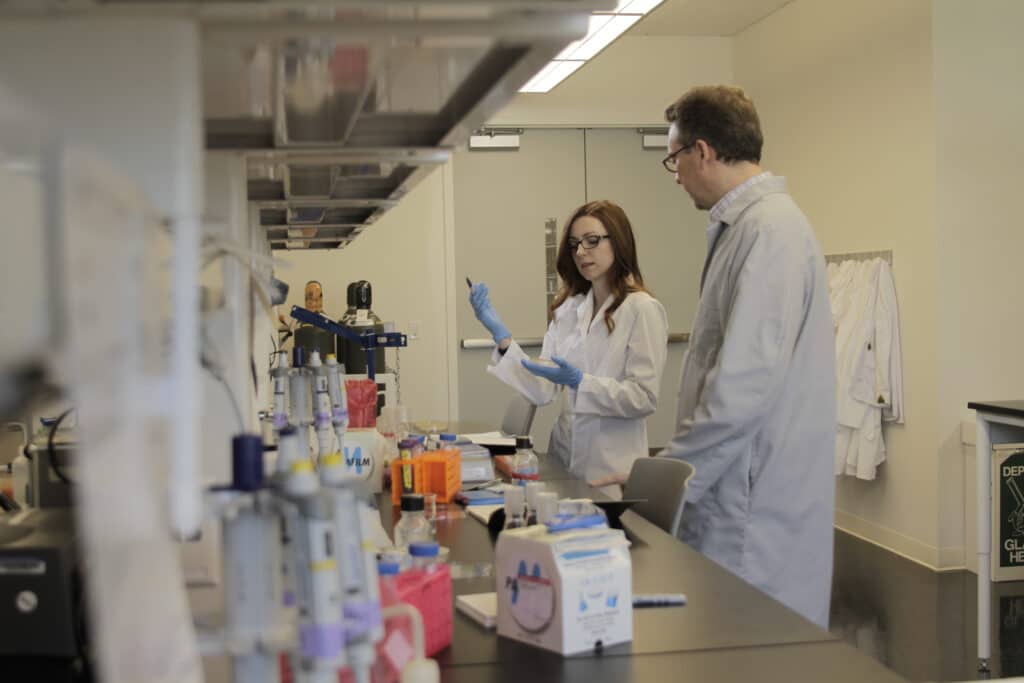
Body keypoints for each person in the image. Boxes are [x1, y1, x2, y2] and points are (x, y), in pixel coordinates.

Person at [596, 86, 837, 628]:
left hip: (753, 504)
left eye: (673, 159)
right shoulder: (747, 226)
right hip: (740, 486)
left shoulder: (770, 230)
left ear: (701, 151)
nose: (675, 173)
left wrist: (656, 482)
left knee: (753, 643)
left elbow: (740, 391)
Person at [468, 200, 668, 484]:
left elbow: (643, 398)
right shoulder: (570, 310)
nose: (581, 252)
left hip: (610, 469)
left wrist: (580, 382)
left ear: (619, 242)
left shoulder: (642, 309)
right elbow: (543, 390)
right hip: (563, 460)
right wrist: (502, 338)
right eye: (575, 244)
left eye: (592, 241)